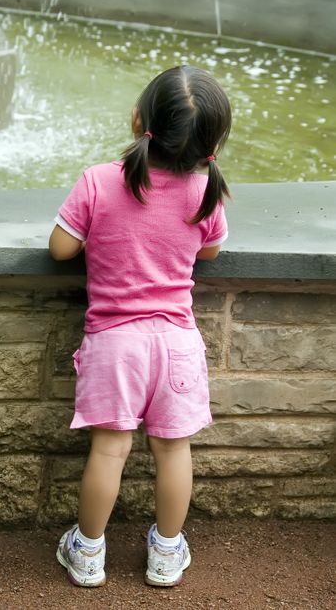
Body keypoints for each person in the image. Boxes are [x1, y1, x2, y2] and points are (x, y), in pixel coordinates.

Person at [49, 65, 231, 588]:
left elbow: (61, 248)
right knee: (174, 449)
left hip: (115, 345)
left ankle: (87, 554)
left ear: (138, 120)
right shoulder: (205, 193)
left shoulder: (99, 181)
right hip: (177, 344)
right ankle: (167, 553)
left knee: (109, 449)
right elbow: (210, 248)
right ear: (210, 142)